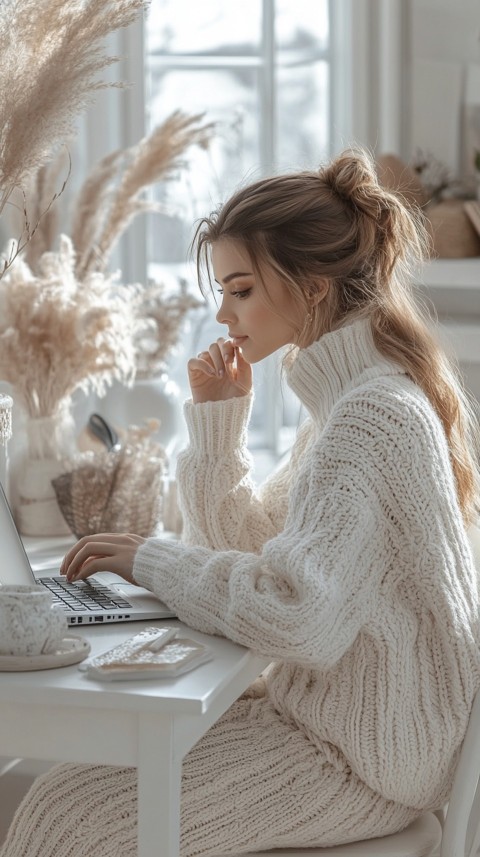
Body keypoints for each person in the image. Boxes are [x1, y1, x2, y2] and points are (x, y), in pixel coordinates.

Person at [2, 149, 480, 857]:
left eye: (241, 289)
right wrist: (220, 423)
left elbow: (297, 616)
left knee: (66, 818)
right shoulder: (348, 402)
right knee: (60, 791)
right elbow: (251, 552)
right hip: (338, 728)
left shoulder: (371, 416)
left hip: (359, 756)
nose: (223, 313)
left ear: (311, 286)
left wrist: (153, 560)